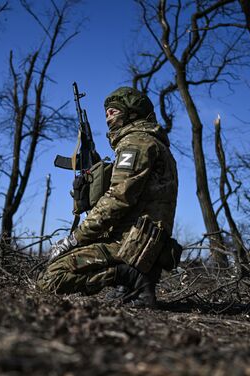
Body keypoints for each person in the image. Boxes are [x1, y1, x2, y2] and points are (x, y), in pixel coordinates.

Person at [37, 86, 178, 307]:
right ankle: (127, 283)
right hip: (142, 243)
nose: (108, 116)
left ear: (133, 112)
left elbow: (117, 199)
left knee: (51, 278)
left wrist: (74, 239)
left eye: (115, 110)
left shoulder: (136, 143)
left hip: (130, 245)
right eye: (106, 112)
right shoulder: (151, 143)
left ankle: (130, 277)